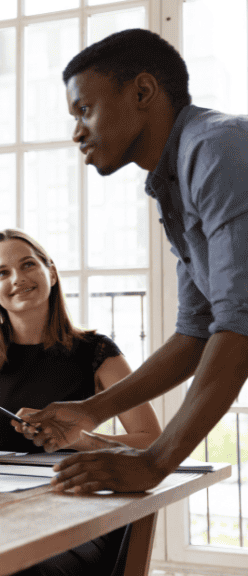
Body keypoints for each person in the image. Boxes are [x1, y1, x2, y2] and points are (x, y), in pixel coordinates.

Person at [19, 28, 248, 494]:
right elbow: (197, 332)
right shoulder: (174, 181)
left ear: (142, 91)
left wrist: (155, 462)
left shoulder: (215, 148)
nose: (76, 131)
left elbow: (240, 322)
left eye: (85, 109)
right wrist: (91, 410)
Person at [0, 229, 161, 576]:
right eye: (2, 272)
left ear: (52, 273)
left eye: (28, 264)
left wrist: (84, 440)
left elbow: (151, 438)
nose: (18, 278)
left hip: (79, 512)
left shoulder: (97, 351)